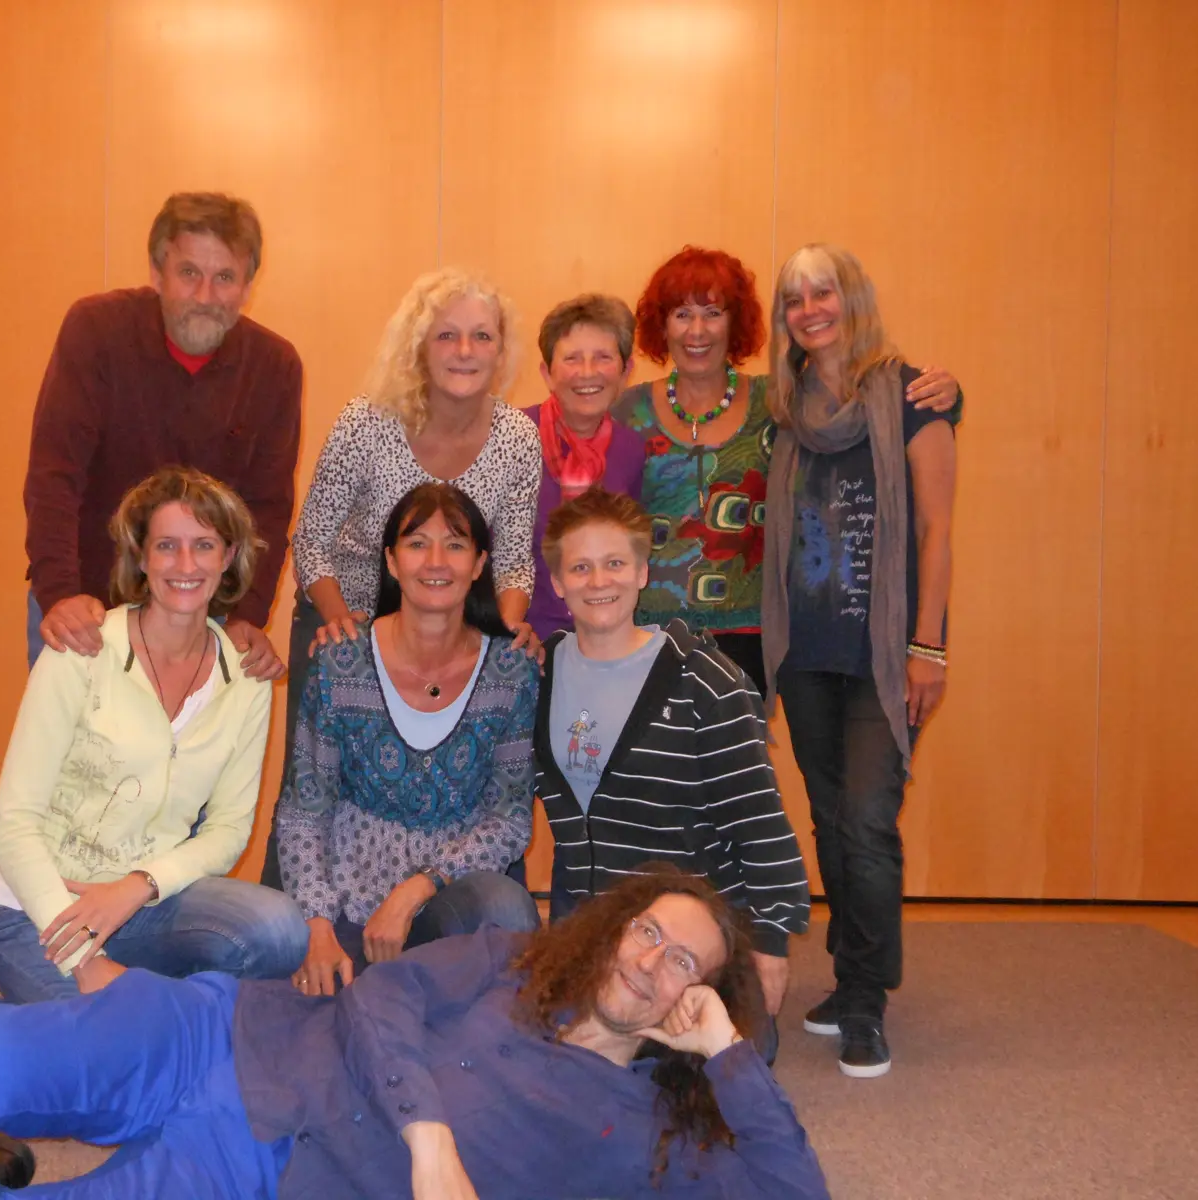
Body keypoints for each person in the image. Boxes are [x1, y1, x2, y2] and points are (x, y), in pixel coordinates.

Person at [0, 869, 830, 1200]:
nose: (648, 961)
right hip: (232, 1034)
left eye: (682, 962)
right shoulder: (518, 959)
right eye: (646, 930)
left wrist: (727, 1055)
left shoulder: (651, 1138)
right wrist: (430, 1136)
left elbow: (795, 1196)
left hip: (266, 1171)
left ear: (697, 997)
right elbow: (380, 999)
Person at [0, 468, 308, 1043]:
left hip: (145, 905)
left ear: (229, 556)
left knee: (279, 930)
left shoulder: (246, 677)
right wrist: (85, 961)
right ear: (140, 555)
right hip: (39, 912)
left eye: (203, 545)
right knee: (122, 1054)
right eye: (166, 545)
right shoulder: (82, 651)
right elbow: (11, 825)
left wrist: (137, 886)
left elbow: (228, 830)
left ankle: (145, 1018)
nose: (185, 564)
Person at [263, 266, 542, 888]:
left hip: (455, 624)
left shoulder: (519, 437)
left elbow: (513, 557)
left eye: (481, 336)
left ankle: (490, 917)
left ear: (501, 349)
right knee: (310, 791)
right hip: (345, 616)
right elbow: (312, 539)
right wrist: (343, 625)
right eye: (446, 335)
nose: (464, 351)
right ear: (419, 345)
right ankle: (293, 923)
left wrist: (504, 638)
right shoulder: (367, 421)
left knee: (480, 791)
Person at [760, 244, 961, 1080]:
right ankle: (850, 978)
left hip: (883, 656)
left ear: (854, 300)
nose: (811, 309)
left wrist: (928, 648)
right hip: (805, 653)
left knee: (870, 821)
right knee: (830, 819)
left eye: (825, 292)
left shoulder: (913, 397)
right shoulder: (782, 408)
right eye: (795, 297)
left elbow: (937, 533)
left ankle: (867, 999)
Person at [532, 489, 812, 1064]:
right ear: (557, 582)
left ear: (642, 572)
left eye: (615, 563)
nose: (598, 581)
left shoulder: (706, 683)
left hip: (686, 940)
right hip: (593, 926)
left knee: (724, 1067)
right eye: (580, 567)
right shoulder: (538, 675)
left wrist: (770, 942)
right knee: (554, 1059)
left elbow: (760, 824)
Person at [613, 245, 958, 699]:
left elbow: (853, 404)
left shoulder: (778, 403)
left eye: (713, 313)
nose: (697, 330)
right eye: (682, 314)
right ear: (662, 324)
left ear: (735, 322)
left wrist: (946, 394)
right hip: (644, 635)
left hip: (750, 638)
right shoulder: (628, 411)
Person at [23, 191, 301, 680]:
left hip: (203, 620)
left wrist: (247, 616)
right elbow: (55, 476)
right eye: (189, 272)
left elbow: (267, 509)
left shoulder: (274, 367)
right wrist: (60, 594)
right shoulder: (95, 332)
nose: (205, 296)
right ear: (156, 272)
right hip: (88, 612)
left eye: (224, 278)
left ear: (247, 285)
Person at [278, 483, 541, 995]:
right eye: (417, 543)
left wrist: (417, 888)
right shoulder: (341, 660)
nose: (436, 562)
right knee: (335, 1009)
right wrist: (317, 924)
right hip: (348, 892)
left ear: (479, 564)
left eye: (455, 545)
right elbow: (305, 810)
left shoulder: (511, 670)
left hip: (453, 888)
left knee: (509, 913)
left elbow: (509, 818)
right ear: (392, 562)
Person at [521, 293, 647, 640]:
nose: (588, 373)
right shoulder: (513, 437)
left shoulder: (631, 451)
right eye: (572, 359)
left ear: (625, 371)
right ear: (547, 373)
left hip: (603, 639)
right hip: (520, 641)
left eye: (603, 358)